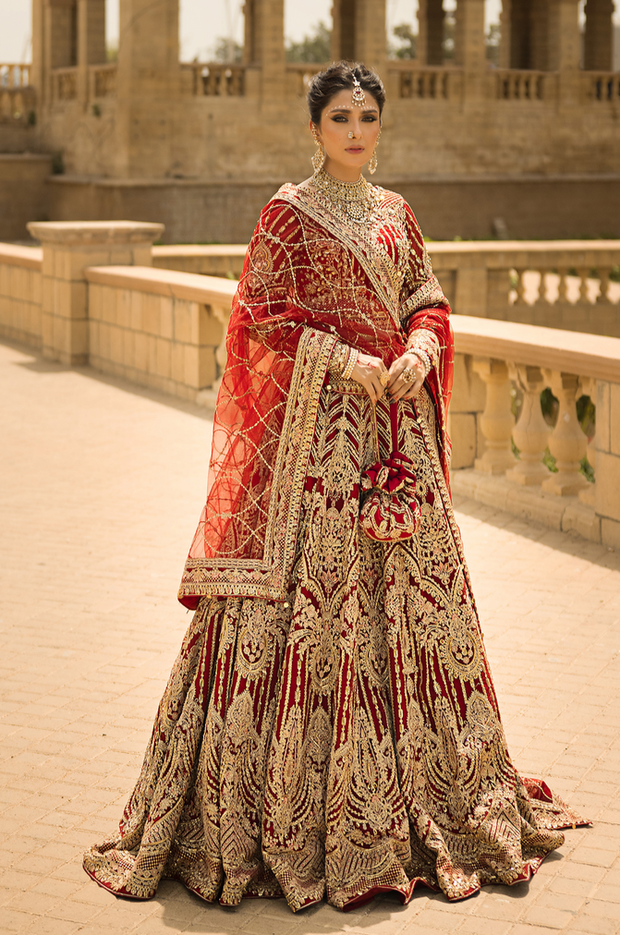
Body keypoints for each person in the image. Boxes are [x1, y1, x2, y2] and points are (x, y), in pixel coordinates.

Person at [83, 62, 585, 913]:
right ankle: (289, 816)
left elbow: (423, 293)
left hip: (400, 439)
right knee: (322, 613)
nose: (357, 130)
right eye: (342, 117)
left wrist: (422, 346)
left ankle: (430, 795)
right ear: (314, 127)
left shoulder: (397, 215)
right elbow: (262, 317)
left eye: (368, 118)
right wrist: (347, 361)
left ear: (381, 128)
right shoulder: (287, 215)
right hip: (319, 456)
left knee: (416, 615)